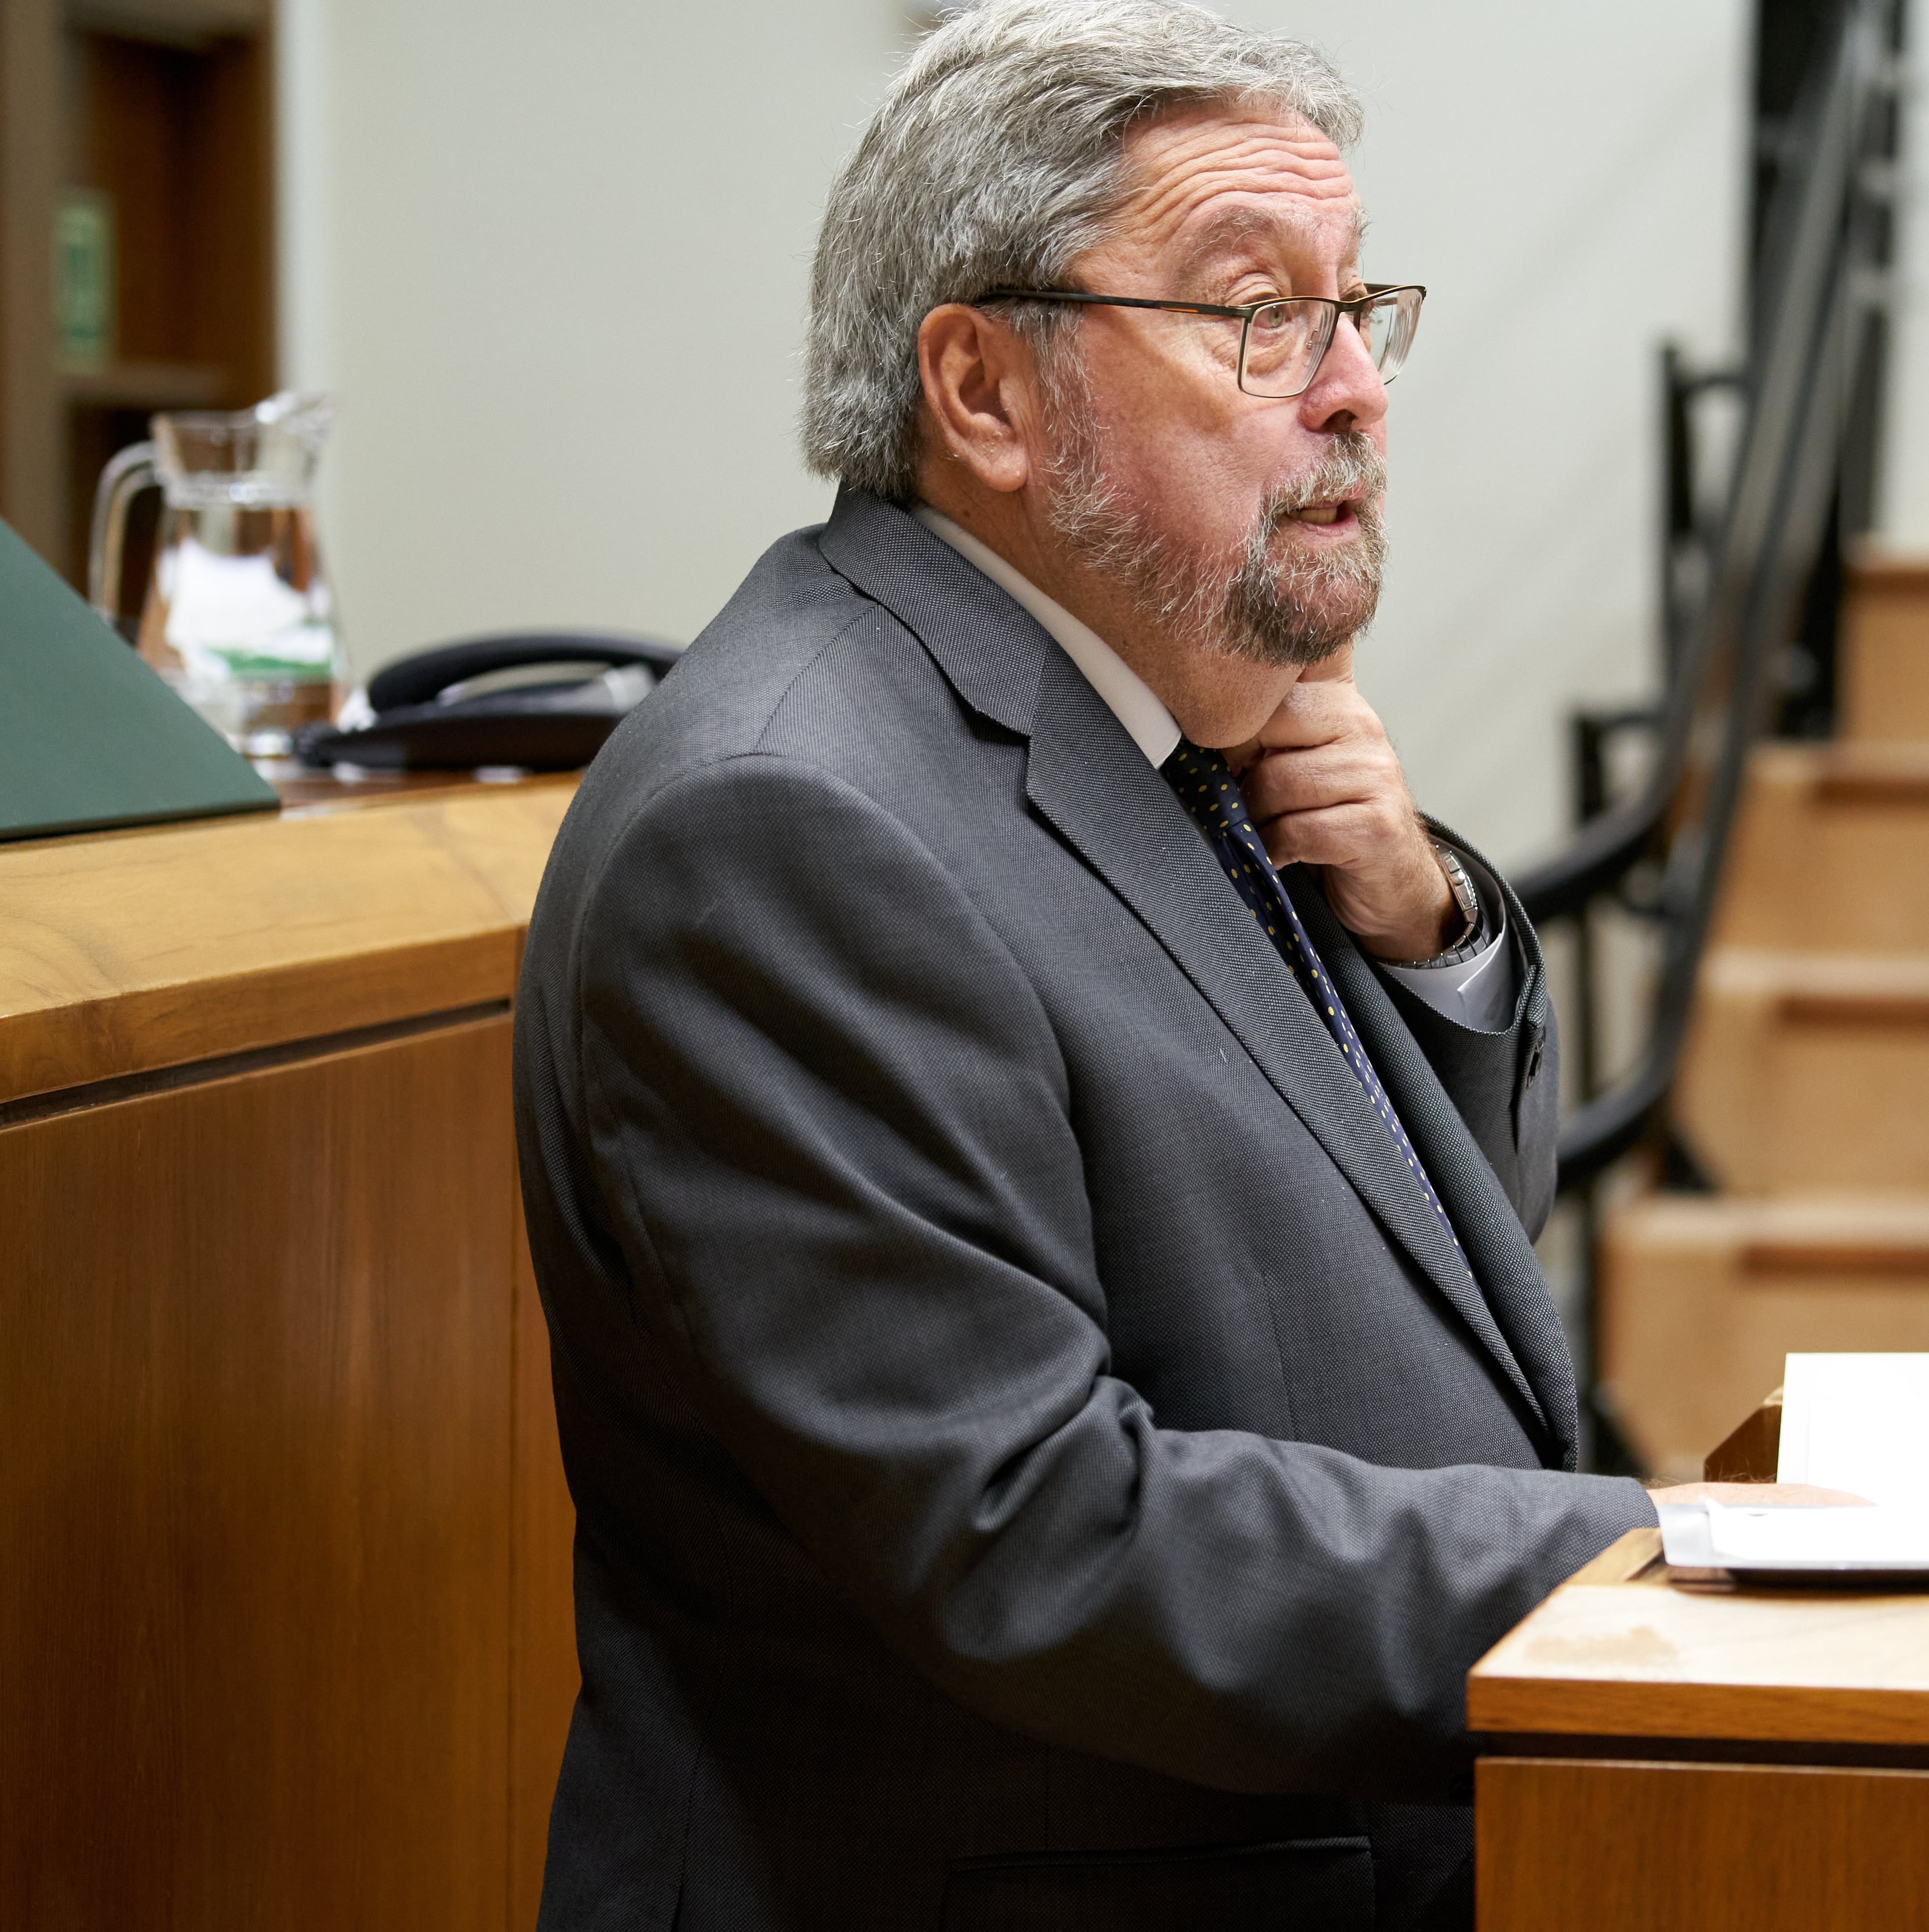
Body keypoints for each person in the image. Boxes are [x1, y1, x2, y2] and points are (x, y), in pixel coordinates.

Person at [512, 6, 1812, 1925]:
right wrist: (1671, 1560)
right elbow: (1038, 1530)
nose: (1355, 389)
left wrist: (1426, 936)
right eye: (1258, 313)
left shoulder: (1165, 712)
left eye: (1356, 305)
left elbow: (1384, 1268)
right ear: (987, 390)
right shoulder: (789, 826)